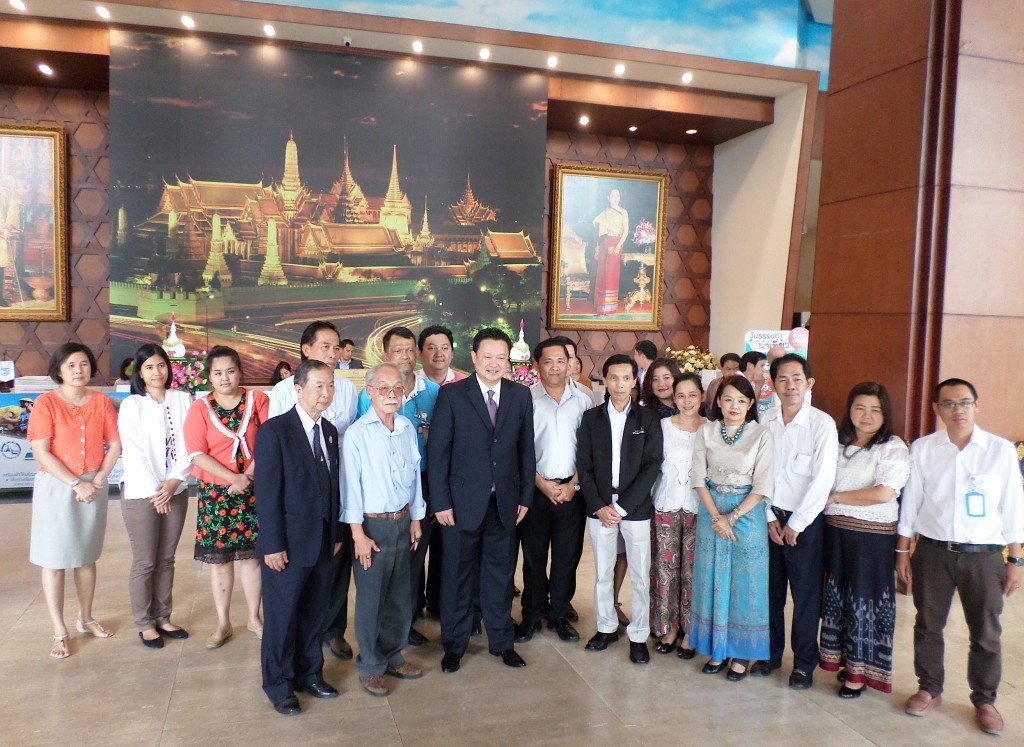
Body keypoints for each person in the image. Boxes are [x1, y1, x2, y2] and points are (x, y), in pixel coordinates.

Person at [896, 378, 1024, 736]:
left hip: (984, 556)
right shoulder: (924, 448)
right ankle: (929, 688)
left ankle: (985, 700)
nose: (958, 410)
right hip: (934, 552)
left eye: (965, 402)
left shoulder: (999, 450)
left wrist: (1016, 560)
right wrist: (902, 550)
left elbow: (1013, 506)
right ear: (937, 409)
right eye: (949, 403)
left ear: (976, 406)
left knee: (986, 632)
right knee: (928, 624)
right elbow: (911, 502)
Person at [428, 327, 536, 674]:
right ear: (474, 357)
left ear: (508, 360)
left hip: (504, 504)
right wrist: (440, 502)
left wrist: (525, 496)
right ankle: (454, 645)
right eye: (487, 356)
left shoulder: (520, 396)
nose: (493, 363)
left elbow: (526, 450)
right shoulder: (452, 395)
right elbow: (438, 453)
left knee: (501, 577)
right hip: (459, 505)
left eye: (500, 357)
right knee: (456, 577)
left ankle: (502, 642)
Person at [255, 360, 343, 716]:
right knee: (282, 616)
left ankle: (310, 674)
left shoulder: (330, 431)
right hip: (288, 544)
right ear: (298, 389)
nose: (326, 393)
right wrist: (273, 545)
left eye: (330, 385)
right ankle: (278, 684)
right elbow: (267, 494)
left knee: (314, 613)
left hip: (323, 541)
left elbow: (334, 489)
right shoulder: (275, 431)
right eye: (318, 386)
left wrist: (336, 533)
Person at [269, 320, 358, 661]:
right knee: (295, 586)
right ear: (306, 350)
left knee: (332, 572)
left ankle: (331, 632)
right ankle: (289, 658)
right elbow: (277, 460)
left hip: (335, 490)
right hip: (298, 502)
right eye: (325, 346)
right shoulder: (283, 393)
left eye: (336, 347)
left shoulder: (346, 389)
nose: (333, 353)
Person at [28, 343, 121, 659]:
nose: (78, 370)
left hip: (94, 485)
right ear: (59, 370)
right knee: (54, 560)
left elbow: (114, 445)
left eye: (83, 364)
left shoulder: (102, 402)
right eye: (71, 365)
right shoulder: (46, 403)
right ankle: (59, 630)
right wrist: (75, 483)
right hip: (56, 486)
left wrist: (97, 480)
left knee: (86, 556)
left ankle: (86, 617)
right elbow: (41, 451)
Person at [819, 382, 909, 697]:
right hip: (836, 534)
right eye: (860, 408)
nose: (866, 416)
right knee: (840, 601)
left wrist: (836, 497)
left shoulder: (892, 447)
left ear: (885, 414)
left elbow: (883, 493)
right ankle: (847, 662)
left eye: (875, 410)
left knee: (864, 603)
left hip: (870, 539)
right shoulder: (839, 442)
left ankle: (860, 674)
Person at [753, 353, 838, 688]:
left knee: (805, 597)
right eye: (783, 379)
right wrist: (769, 516)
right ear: (772, 384)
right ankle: (770, 653)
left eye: (797, 379)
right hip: (769, 518)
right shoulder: (765, 420)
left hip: (807, 522)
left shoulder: (821, 424)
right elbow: (758, 472)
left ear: (809, 383)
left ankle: (803, 663)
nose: (790, 386)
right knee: (770, 592)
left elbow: (822, 479)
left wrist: (797, 523)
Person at [344, 363, 427, 696]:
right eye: (383, 388)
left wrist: (416, 519)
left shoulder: (406, 427)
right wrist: (358, 535)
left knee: (400, 596)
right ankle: (370, 665)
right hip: (372, 527)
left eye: (397, 388)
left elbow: (415, 477)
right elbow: (350, 488)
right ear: (370, 392)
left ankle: (393, 655)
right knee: (371, 600)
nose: (391, 394)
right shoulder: (357, 434)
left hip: (403, 521)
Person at [578, 353, 663, 664]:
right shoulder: (591, 418)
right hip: (600, 507)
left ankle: (638, 636)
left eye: (626, 378)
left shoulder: (648, 419)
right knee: (602, 572)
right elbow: (584, 466)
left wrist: (624, 507)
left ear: (634, 381)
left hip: (635, 507)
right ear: (605, 380)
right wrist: (600, 506)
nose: (619, 384)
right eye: (613, 377)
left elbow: (652, 465)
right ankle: (606, 627)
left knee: (640, 574)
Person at [357, 326, 439, 647]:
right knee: (383, 566)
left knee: (414, 556)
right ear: (385, 354)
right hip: (379, 494)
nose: (404, 356)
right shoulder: (368, 396)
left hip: (420, 485)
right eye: (397, 350)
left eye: (409, 350)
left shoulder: (433, 392)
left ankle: (409, 618)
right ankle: (382, 631)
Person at [184, 346, 269, 649]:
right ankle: (223, 622)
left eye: (230, 371)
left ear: (240, 372)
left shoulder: (257, 400)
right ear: (209, 376)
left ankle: (254, 618)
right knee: (220, 561)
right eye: (218, 373)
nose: (225, 378)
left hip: (254, 489)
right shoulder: (200, 408)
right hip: (217, 494)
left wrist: (248, 477)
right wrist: (233, 478)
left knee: (253, 558)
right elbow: (196, 453)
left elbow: (269, 441)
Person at [690, 374, 773, 680]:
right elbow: (698, 478)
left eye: (741, 400)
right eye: (727, 399)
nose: (734, 406)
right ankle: (717, 648)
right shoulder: (706, 431)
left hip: (747, 517)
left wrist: (732, 517)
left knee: (745, 584)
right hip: (711, 513)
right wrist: (716, 517)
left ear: (750, 403)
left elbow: (763, 485)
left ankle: (741, 652)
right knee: (712, 580)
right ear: (718, 402)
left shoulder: (761, 434)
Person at [515, 338, 592, 645]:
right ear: (537, 365)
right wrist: (541, 484)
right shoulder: (526, 399)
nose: (556, 367)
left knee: (566, 557)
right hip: (536, 490)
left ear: (570, 363)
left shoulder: (585, 399)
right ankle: (532, 615)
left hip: (573, 491)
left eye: (561, 361)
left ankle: (559, 613)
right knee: (533, 557)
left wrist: (574, 484)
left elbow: (591, 449)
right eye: (548, 362)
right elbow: (519, 449)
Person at [117, 343, 193, 649]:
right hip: (141, 492)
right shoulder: (132, 405)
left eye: (161, 365)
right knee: (146, 560)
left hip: (177, 488)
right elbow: (133, 452)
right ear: (139, 372)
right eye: (149, 367)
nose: (156, 372)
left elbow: (190, 443)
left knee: (167, 558)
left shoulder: (182, 399)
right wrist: (158, 491)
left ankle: (163, 617)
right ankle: (144, 623)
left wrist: (174, 481)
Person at [650, 373, 705, 658]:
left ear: (702, 397)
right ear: (674, 398)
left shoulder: (711, 429)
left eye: (692, 394)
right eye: (681, 395)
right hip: (666, 505)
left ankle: (691, 632)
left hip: (700, 509)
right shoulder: (662, 427)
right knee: (666, 571)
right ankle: (669, 628)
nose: (687, 401)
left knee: (693, 573)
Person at [416, 324, 465, 618]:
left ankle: (438, 603)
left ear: (452, 352)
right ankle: (414, 606)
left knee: (446, 545)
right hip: (418, 479)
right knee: (417, 544)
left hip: (453, 480)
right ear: (420, 352)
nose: (438, 353)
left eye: (444, 347)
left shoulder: (464, 385)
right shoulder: (410, 385)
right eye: (431, 348)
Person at [591, 188, 629, 314]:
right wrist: (598, 247)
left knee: (611, 274)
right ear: (608, 198)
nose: (616, 198)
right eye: (613, 195)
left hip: (616, 243)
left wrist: (618, 246)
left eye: (618, 195)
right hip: (604, 244)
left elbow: (626, 231)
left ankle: (609, 307)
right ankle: (600, 305)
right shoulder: (605, 212)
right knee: (602, 273)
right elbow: (596, 224)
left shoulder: (623, 212)